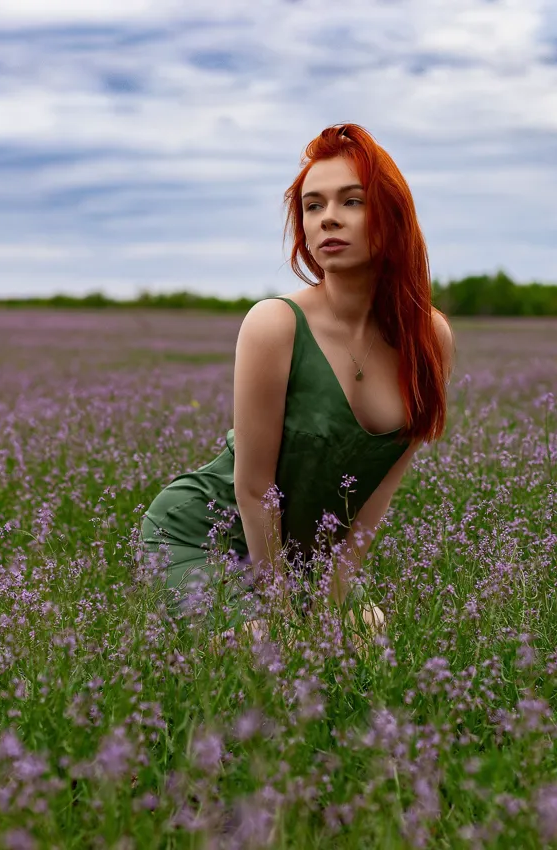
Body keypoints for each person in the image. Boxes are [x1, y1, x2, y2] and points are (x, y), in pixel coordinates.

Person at [138, 123, 455, 648]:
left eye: (351, 201)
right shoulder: (275, 324)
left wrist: (331, 600)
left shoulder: (430, 340)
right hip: (205, 535)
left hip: (308, 554)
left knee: (367, 645)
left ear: (392, 216)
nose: (328, 216)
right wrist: (284, 614)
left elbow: (377, 494)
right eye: (313, 206)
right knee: (264, 653)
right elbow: (253, 487)